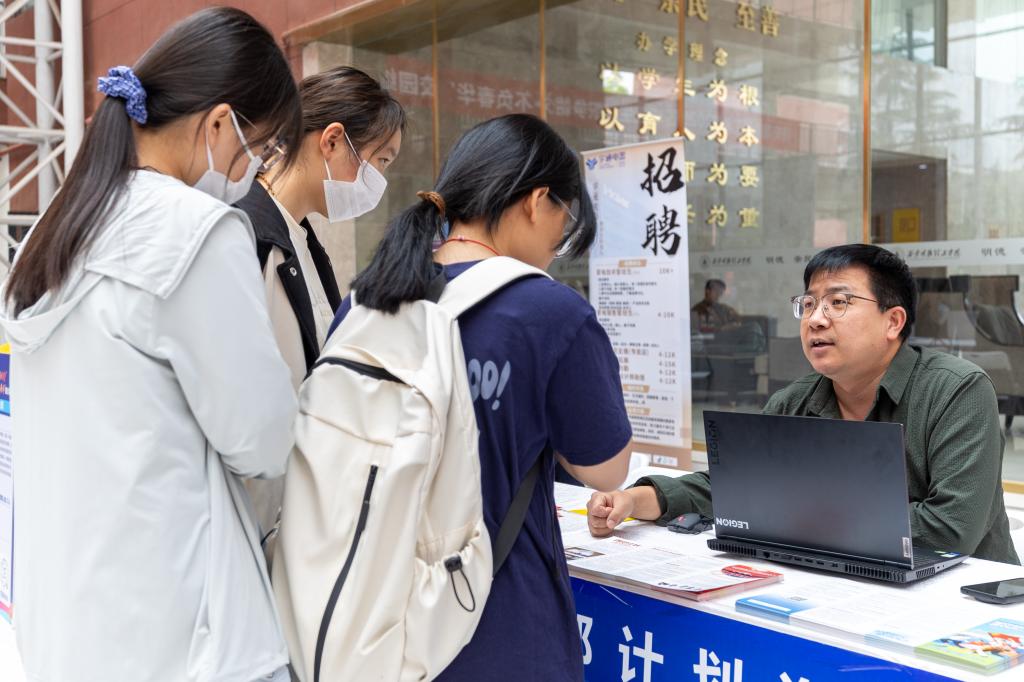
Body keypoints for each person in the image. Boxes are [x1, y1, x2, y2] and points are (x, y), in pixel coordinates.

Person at [0, 8, 303, 681]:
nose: (252, 170)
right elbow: (262, 439)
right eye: (258, 148)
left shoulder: (54, 231)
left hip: (67, 630)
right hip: (183, 635)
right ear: (218, 125)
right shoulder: (196, 230)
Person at [322, 113, 633, 680]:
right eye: (563, 223)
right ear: (537, 202)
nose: (555, 246)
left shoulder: (365, 301)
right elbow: (607, 470)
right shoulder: (551, 313)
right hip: (501, 627)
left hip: (368, 622)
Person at [590, 244, 1020, 565]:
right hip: (840, 587)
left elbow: (952, 528)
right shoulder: (795, 400)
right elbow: (737, 487)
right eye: (809, 303)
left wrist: (802, 517)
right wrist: (638, 499)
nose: (815, 319)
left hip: (962, 603)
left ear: (893, 321)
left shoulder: (957, 392)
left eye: (839, 302)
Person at [235, 66, 405, 543]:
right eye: (380, 161)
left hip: (290, 521)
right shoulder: (245, 236)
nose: (379, 181)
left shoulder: (304, 241)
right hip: (247, 523)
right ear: (331, 141)